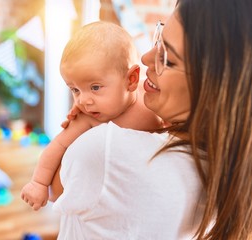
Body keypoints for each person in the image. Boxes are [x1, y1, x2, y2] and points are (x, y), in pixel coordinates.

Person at [51, 0, 252, 239]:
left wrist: (84, 125)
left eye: (167, 58)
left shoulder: (105, 151)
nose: (146, 58)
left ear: (217, 87)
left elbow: (56, 189)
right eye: (158, 37)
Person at [21, 21, 164, 210]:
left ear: (131, 79)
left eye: (95, 87)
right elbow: (56, 146)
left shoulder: (149, 94)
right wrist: (38, 183)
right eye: (75, 90)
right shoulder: (89, 118)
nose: (83, 101)